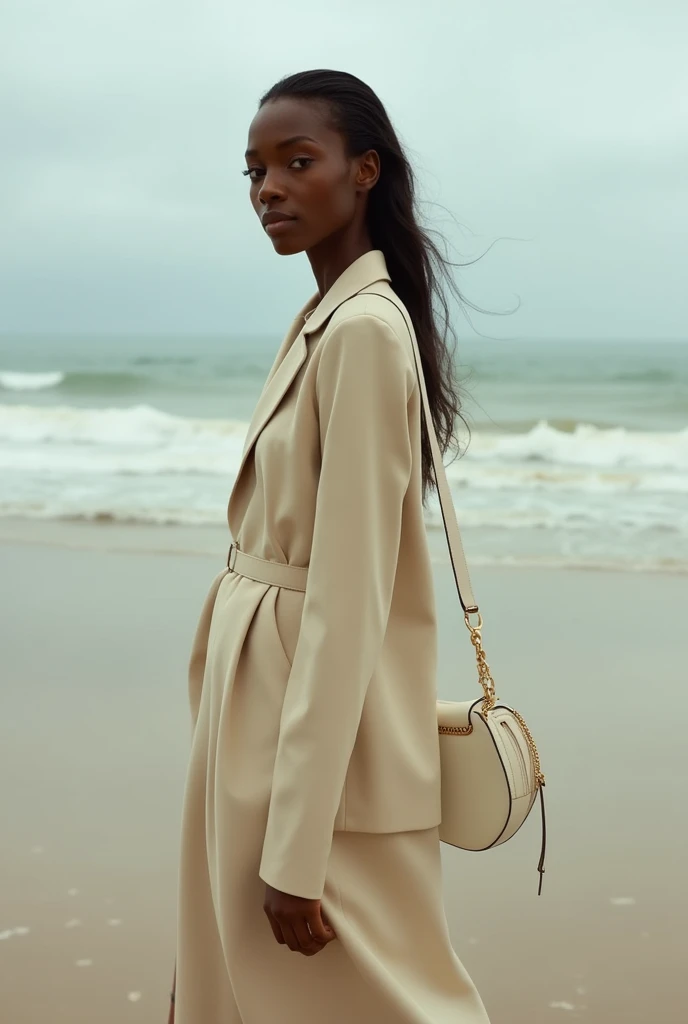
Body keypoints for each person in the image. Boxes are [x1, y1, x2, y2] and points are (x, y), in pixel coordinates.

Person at [171, 68, 491, 1024]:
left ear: (364, 172)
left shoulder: (361, 332)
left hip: (303, 728)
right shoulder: (326, 316)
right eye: (254, 172)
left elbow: (350, 607)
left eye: (295, 162)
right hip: (259, 699)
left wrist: (298, 847)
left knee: (384, 996)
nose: (268, 188)